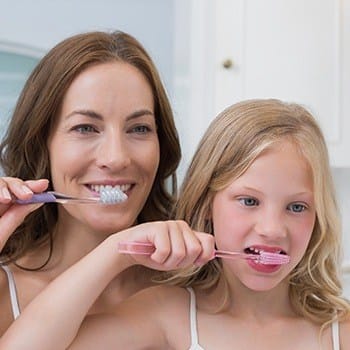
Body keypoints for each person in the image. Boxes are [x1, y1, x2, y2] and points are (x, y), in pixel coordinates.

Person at [2, 99, 350, 349]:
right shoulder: (166, 314)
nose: (273, 228)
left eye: (297, 206)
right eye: (249, 201)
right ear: (207, 203)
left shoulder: (341, 332)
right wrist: (116, 250)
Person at [0, 30, 182, 335]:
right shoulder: (5, 291)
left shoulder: (198, 286)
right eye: (85, 128)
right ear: (40, 143)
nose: (116, 157)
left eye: (139, 128)